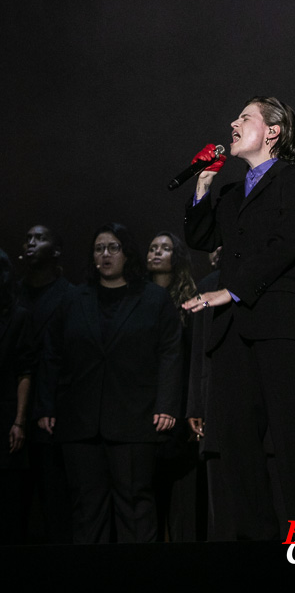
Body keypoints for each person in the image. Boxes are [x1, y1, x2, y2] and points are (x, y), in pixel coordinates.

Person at [183, 96, 295, 540]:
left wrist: (232, 289)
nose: (232, 122)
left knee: (290, 443)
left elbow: (286, 243)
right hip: (233, 334)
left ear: (273, 131)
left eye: (244, 117)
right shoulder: (230, 192)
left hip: (277, 325)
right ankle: (255, 545)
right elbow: (199, 235)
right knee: (238, 449)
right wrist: (203, 186)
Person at [35, 222, 182, 544]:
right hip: (80, 419)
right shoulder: (74, 299)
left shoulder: (154, 299)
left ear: (127, 253)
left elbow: (170, 354)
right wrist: (46, 405)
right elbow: (51, 354)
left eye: (113, 248)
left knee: (134, 502)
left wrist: (167, 405)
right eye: (99, 249)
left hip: (135, 417)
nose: (105, 255)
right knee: (87, 507)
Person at [146, 231, 202, 541]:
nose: (156, 253)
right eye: (152, 248)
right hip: (145, 406)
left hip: (181, 406)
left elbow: (194, 358)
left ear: (176, 258)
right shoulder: (136, 297)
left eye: (164, 248)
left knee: (183, 502)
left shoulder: (191, 302)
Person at [19, 224, 73, 543]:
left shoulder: (69, 295)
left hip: (52, 408)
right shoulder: (13, 293)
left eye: (40, 238)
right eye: (28, 237)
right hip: (15, 405)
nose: (31, 242)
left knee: (54, 495)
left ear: (55, 251)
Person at [0, 248, 33, 544]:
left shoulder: (18, 316)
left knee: (10, 505)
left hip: (5, 416)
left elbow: (25, 371)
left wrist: (19, 421)